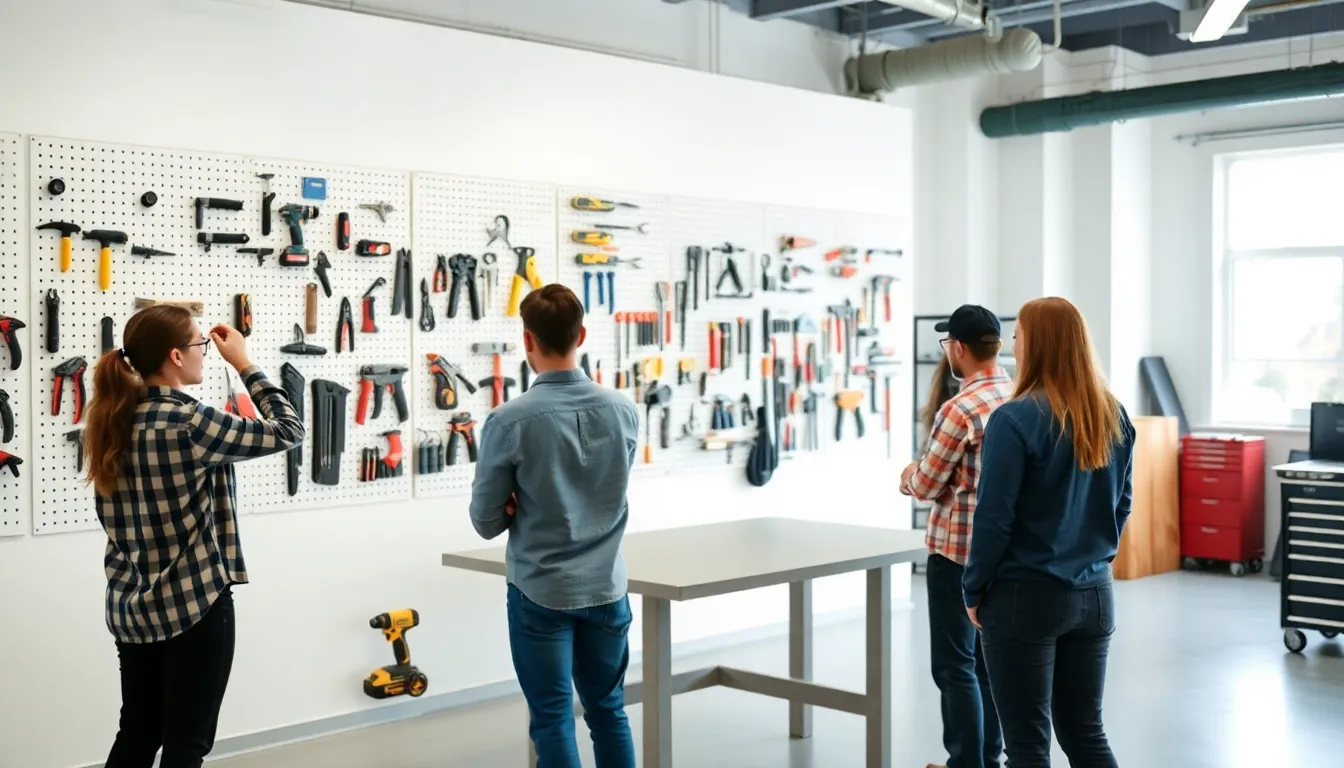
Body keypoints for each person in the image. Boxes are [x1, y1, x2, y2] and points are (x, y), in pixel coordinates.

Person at [85, 306, 305, 768]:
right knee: (187, 744)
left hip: (132, 608)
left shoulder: (113, 421)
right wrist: (243, 363)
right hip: (196, 604)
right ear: (175, 356)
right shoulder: (190, 421)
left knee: (139, 732)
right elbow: (289, 430)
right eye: (200, 347)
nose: (206, 354)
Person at [469, 284, 640, 768]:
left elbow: (484, 521)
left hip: (540, 592)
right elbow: (609, 488)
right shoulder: (623, 410)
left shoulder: (508, 421)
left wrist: (513, 506)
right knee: (609, 711)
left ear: (527, 341)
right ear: (581, 334)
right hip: (607, 589)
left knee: (551, 718)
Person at [963, 297, 1135, 768]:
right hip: (1095, 594)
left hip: (1025, 598)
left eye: (1018, 335)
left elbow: (994, 518)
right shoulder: (1112, 413)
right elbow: (1121, 505)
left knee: (1026, 746)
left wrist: (974, 589)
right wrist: (1093, 559)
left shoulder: (1013, 419)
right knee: (1086, 732)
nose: (1013, 345)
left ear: (1036, 343)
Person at [900, 305, 1014, 768]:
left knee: (954, 666)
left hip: (955, 555)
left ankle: (965, 763)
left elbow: (926, 485)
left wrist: (911, 472)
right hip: (1003, 556)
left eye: (948, 344)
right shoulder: (1017, 397)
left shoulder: (959, 408)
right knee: (989, 665)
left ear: (959, 349)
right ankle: (987, 758)